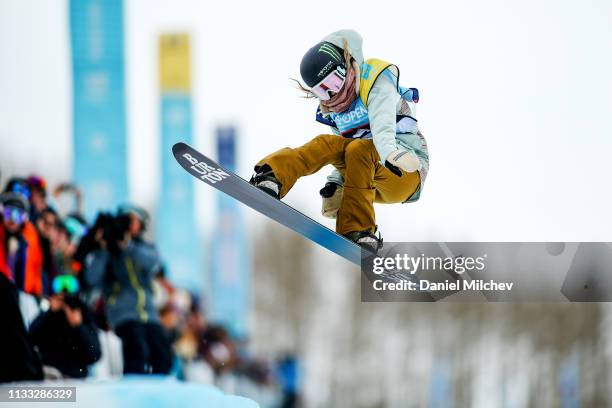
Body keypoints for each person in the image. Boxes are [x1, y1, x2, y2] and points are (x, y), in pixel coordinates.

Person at [250, 29, 429, 252]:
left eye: (334, 82)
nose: (332, 95)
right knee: (328, 143)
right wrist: (336, 184)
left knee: (361, 149)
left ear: (346, 65)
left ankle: (358, 229)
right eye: (322, 91)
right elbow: (344, 150)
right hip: (368, 174)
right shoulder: (333, 111)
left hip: (405, 168)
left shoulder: (374, 79)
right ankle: (273, 176)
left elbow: (382, 126)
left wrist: (390, 153)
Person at [84, 207, 173, 374]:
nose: (129, 225)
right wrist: (104, 248)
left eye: (132, 220)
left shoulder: (143, 247)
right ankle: (133, 388)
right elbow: (91, 279)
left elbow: (154, 264)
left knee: (163, 353)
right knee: (136, 350)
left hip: (149, 313)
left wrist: (128, 246)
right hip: (122, 313)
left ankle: (160, 390)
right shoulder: (107, 251)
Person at [29, 274, 101, 378]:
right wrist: (50, 312)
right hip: (49, 373)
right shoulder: (48, 315)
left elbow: (95, 354)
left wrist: (79, 327)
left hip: (76, 377)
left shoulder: (83, 314)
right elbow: (30, 340)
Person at [0, 192, 44, 296]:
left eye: (18, 215)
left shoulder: (27, 243)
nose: (12, 219)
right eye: (8, 213)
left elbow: (34, 272)